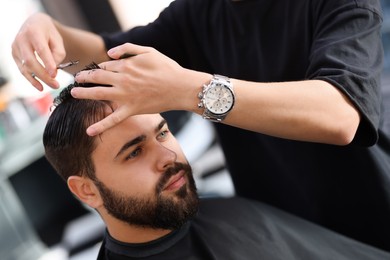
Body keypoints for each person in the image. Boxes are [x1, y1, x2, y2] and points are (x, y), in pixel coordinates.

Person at [12, 0, 390, 251]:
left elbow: (341, 115)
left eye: (161, 133)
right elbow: (109, 53)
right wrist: (49, 29)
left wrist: (188, 89)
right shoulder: (199, 13)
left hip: (370, 214)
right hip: (272, 223)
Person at [42, 65, 390, 259]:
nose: (169, 157)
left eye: (162, 134)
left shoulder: (228, 211)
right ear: (86, 191)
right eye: (134, 152)